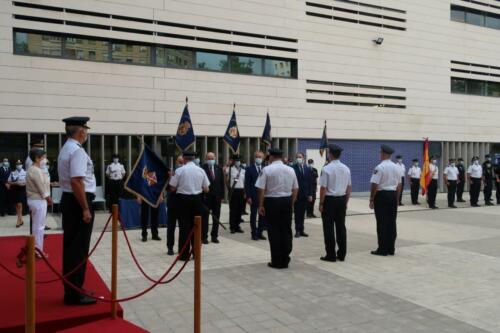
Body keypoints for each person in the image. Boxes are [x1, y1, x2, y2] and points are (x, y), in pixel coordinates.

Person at [58, 116, 97, 305]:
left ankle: (72, 290)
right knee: (79, 249)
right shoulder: (77, 151)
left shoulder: (66, 148)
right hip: (78, 200)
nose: (86, 133)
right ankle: (75, 293)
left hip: (69, 198)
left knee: (71, 247)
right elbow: (77, 181)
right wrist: (85, 208)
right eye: (85, 130)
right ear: (81, 131)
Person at [256, 148, 298, 269]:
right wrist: (292, 202)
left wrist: (261, 205)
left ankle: (276, 261)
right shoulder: (291, 169)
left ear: (271, 157)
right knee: (286, 230)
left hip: (272, 202)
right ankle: (285, 258)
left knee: (274, 231)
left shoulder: (267, 170)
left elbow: (261, 189)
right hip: (287, 201)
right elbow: (295, 188)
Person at [169, 151, 210, 261]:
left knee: (184, 228)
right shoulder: (200, 170)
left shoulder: (179, 170)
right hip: (197, 200)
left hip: (183, 200)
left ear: (184, 159)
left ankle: (184, 254)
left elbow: (172, 188)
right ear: (193, 158)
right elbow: (206, 189)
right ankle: (196, 253)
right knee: (196, 227)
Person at [318, 144, 352, 262]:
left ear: (330, 154)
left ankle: (331, 255)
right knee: (341, 227)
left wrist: (321, 203)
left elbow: (323, 188)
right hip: (342, 199)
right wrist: (346, 201)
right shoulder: (346, 168)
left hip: (330, 201)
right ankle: (342, 254)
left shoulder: (326, 168)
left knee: (328, 228)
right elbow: (349, 187)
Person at [369, 145, 402, 256]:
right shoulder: (397, 167)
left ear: (383, 154)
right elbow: (399, 185)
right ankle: (391, 248)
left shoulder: (379, 167)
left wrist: (371, 199)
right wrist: (397, 199)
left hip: (381, 196)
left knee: (382, 222)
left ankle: (382, 249)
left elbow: (374, 184)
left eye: (380, 153)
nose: (380, 155)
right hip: (393, 195)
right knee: (392, 222)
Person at [26, 149, 52, 257]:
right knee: (39, 227)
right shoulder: (35, 170)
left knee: (37, 226)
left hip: (37, 200)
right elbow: (41, 187)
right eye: (43, 157)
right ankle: (37, 251)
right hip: (38, 200)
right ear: (37, 158)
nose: (44, 160)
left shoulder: (36, 169)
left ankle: (36, 249)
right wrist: (48, 198)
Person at [202, 152, 224, 244]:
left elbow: (222, 184)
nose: (211, 160)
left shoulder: (219, 168)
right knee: (205, 218)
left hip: (217, 198)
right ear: (206, 159)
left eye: (212, 158)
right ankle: (204, 237)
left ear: (215, 158)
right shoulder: (202, 169)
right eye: (209, 158)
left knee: (216, 218)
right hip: (207, 198)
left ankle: (214, 236)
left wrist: (222, 196)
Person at [245, 151, 266, 241]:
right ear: (254, 158)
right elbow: (247, 184)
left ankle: (260, 232)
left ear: (263, 158)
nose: (258, 158)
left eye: (260, 157)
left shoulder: (265, 168)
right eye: (257, 156)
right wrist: (248, 196)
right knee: (253, 215)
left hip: (264, 196)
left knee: (262, 215)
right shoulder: (249, 169)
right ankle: (254, 233)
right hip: (253, 196)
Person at [292, 152, 313, 238]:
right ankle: (297, 230)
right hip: (297, 195)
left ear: (303, 158)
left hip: (305, 195)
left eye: (300, 157)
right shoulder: (293, 168)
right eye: (297, 157)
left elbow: (310, 183)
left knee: (303, 213)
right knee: (297, 214)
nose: (298, 159)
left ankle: (302, 230)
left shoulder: (307, 169)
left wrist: (310, 194)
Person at [166, 155, 183, 255]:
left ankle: (182, 247)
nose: (180, 164)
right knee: (171, 227)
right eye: (179, 162)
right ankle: (170, 247)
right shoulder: (171, 172)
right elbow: (169, 188)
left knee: (183, 227)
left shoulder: (185, 172)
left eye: (182, 162)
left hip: (182, 203)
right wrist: (170, 177)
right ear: (176, 162)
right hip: (172, 203)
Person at [225, 155, 245, 234]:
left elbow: (244, 182)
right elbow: (225, 179)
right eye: (236, 160)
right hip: (233, 191)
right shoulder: (229, 169)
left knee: (240, 210)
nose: (238, 162)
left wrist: (245, 193)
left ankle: (237, 225)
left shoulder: (243, 170)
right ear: (233, 161)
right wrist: (228, 188)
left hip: (241, 191)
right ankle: (232, 226)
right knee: (233, 210)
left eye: (239, 160)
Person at [8, 160, 27, 227]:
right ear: (15, 165)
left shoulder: (25, 172)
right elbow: (9, 182)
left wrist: (23, 184)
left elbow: (28, 181)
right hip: (15, 189)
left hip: (22, 190)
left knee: (19, 204)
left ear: (22, 164)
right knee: (16, 205)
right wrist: (16, 183)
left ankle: (18, 220)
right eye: (17, 164)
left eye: (20, 164)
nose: (18, 165)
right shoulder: (12, 172)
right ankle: (21, 219)